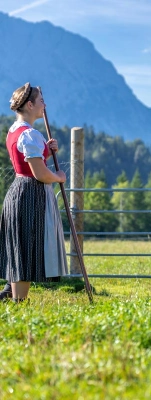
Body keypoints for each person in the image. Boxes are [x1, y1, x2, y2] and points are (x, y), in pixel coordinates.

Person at [0, 82, 68, 302]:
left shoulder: (15, 131)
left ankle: (11, 293)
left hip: (18, 191)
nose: (44, 105)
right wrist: (58, 176)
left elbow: (27, 160)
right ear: (29, 105)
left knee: (20, 243)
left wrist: (46, 149)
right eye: (41, 101)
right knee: (26, 245)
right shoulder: (30, 135)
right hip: (31, 193)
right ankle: (19, 302)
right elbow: (39, 173)